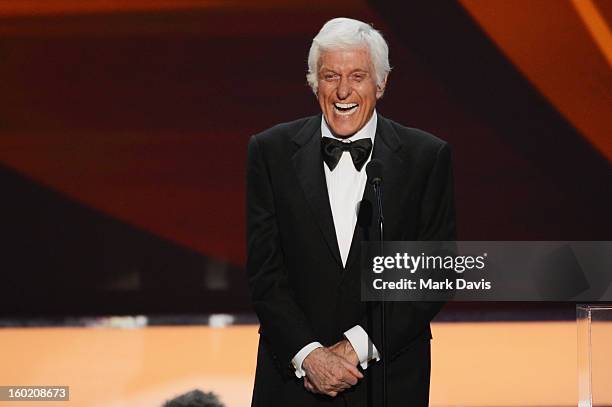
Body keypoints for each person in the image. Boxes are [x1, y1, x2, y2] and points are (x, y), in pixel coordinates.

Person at [246, 17, 456, 407]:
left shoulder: (426, 157)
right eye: (330, 76)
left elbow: (431, 273)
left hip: (389, 378)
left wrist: (355, 347)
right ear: (314, 83)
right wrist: (309, 354)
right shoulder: (270, 151)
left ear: (381, 83)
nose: (343, 90)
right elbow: (265, 272)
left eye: (357, 75)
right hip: (293, 380)